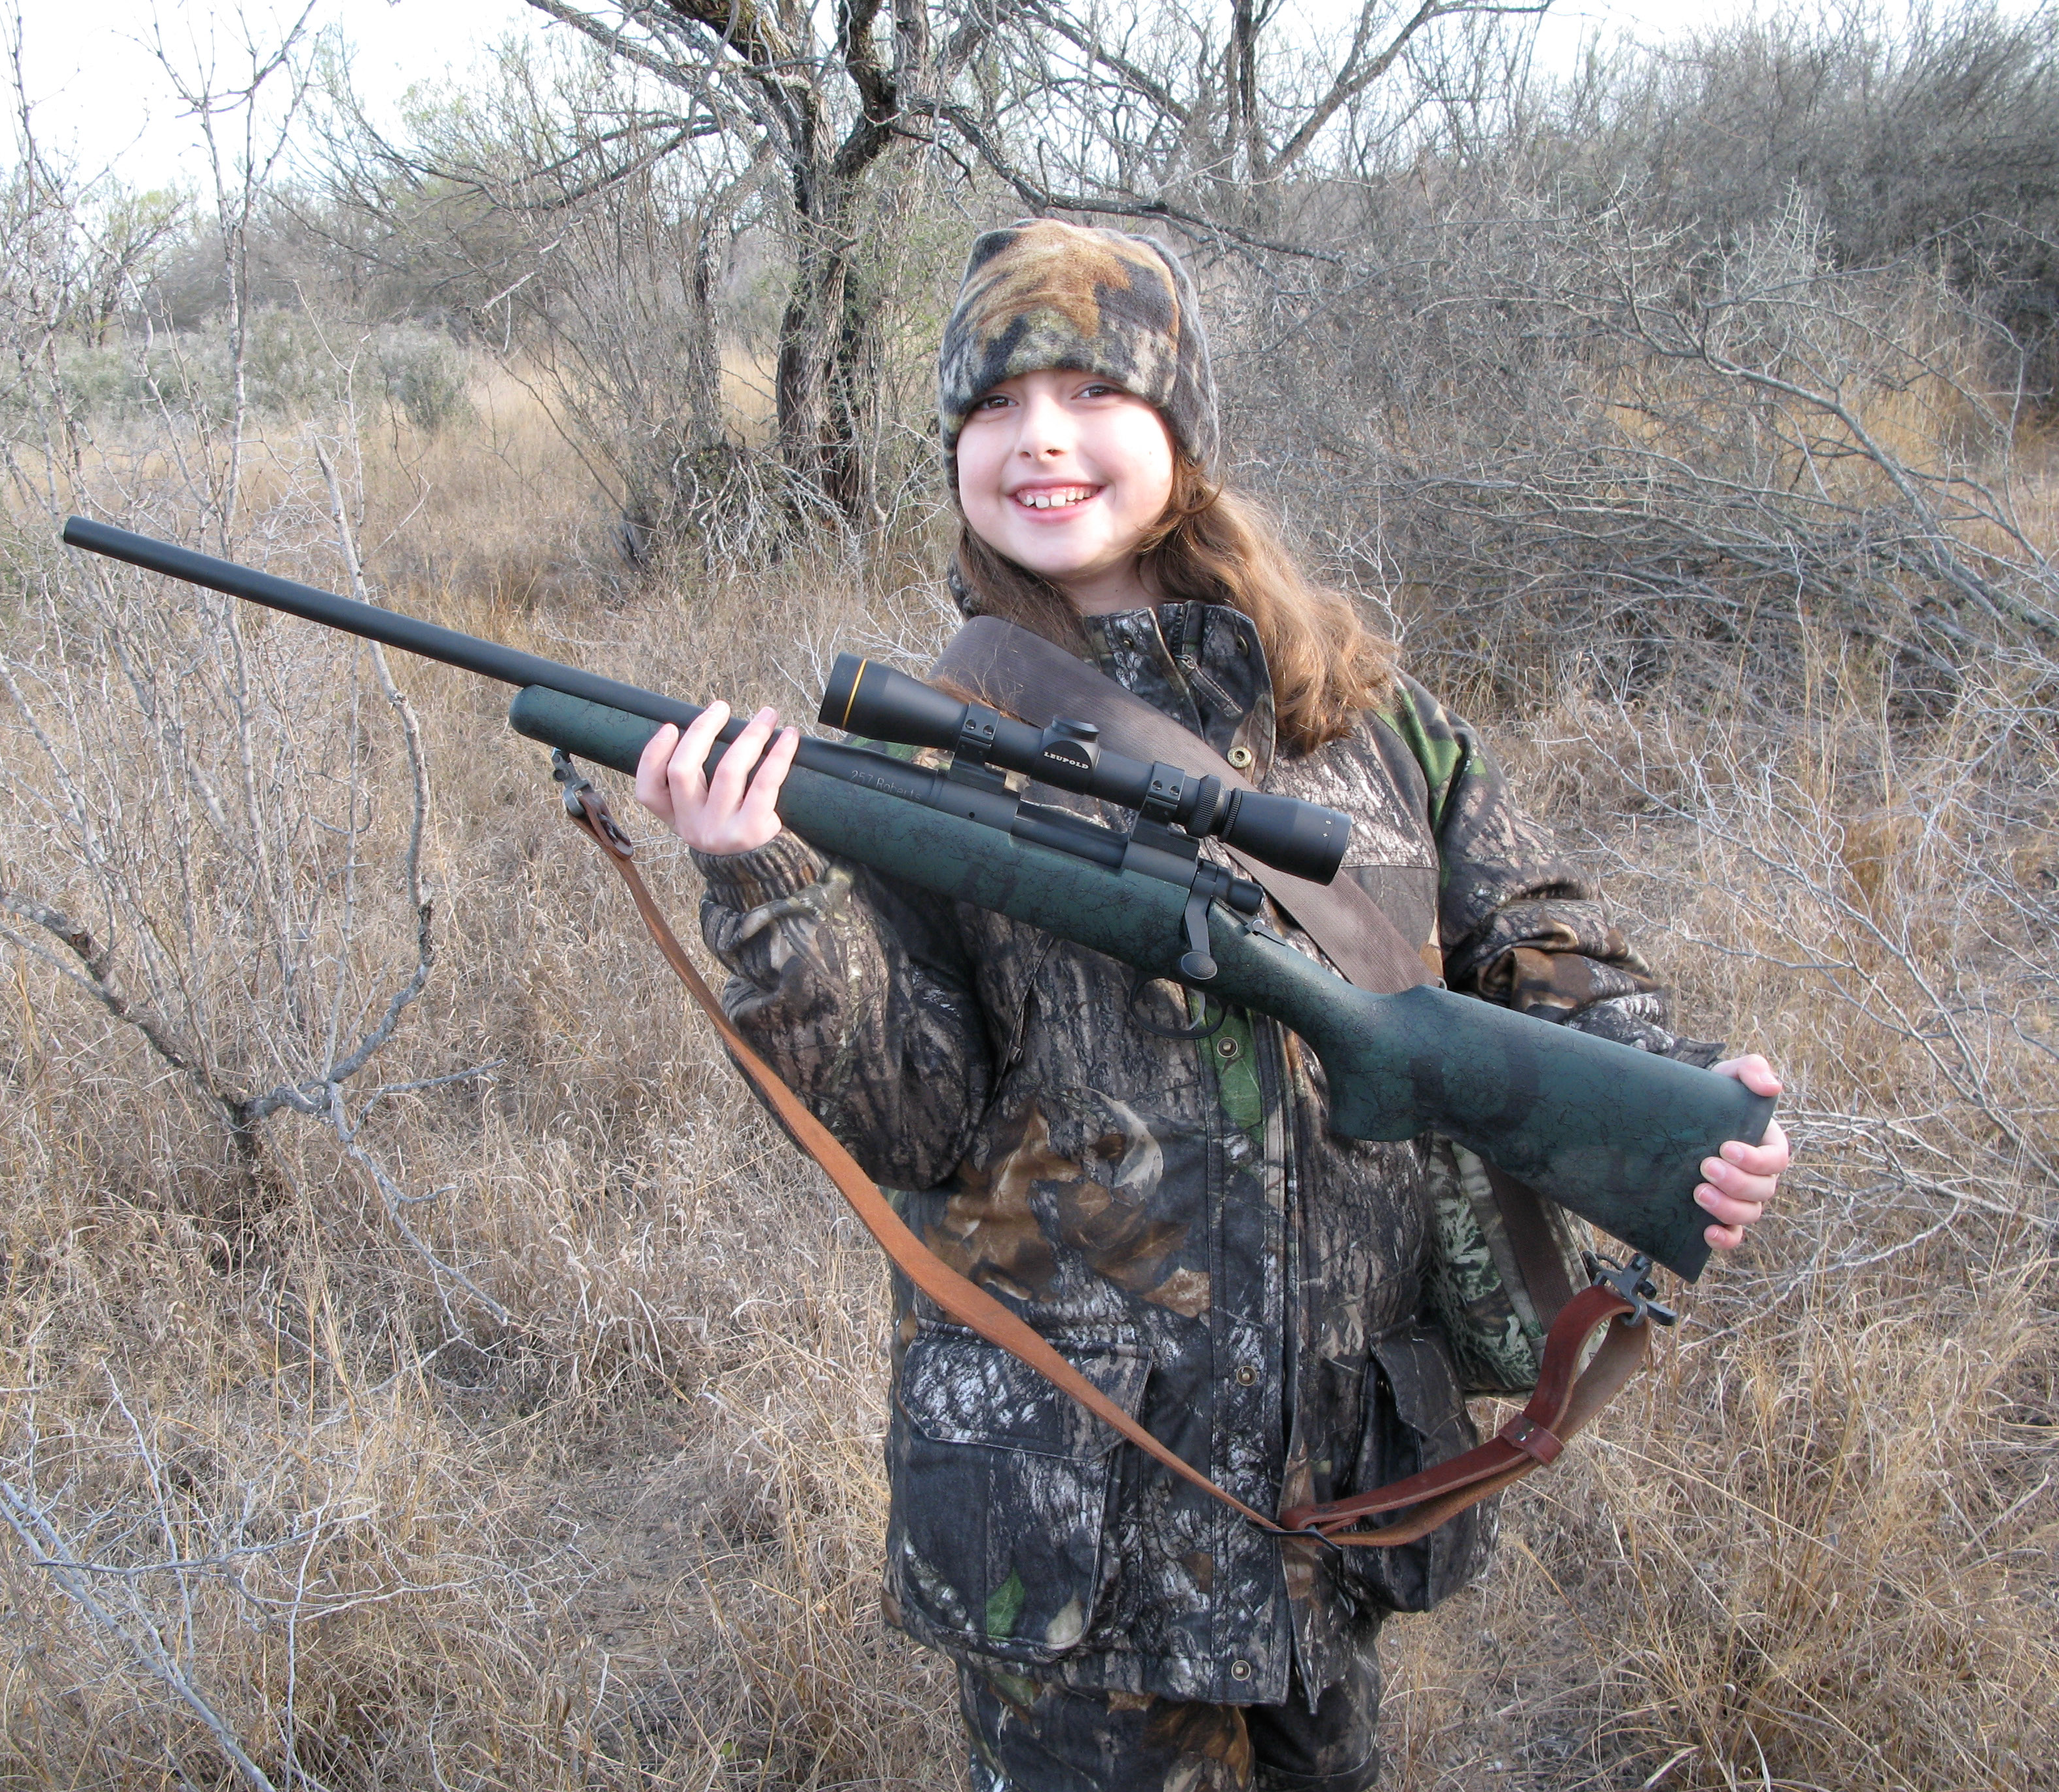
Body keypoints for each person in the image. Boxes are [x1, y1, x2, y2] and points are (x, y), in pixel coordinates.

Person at [634, 221, 1790, 1792]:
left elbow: (1533, 937)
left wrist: (1667, 1092)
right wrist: (762, 880)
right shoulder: (920, 765)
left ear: (1181, 432)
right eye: (991, 407)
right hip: (1077, 1509)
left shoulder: (1373, 725)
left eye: (1089, 391)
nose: (1038, 438)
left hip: (1331, 1484)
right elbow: (913, 1115)